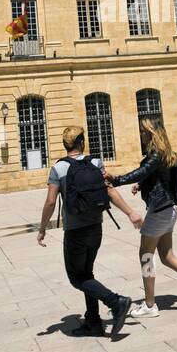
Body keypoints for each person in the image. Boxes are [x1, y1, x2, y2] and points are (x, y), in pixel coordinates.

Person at [106, 118, 177, 317]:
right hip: (168, 210)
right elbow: (157, 175)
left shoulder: (156, 153)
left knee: (145, 256)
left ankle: (149, 305)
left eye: (143, 131)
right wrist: (142, 185)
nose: (141, 134)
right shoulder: (166, 152)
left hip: (159, 212)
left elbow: (142, 171)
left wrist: (116, 180)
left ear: (151, 133)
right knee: (167, 256)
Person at [38, 126, 142, 337]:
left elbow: (50, 202)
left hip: (75, 231)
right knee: (87, 274)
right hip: (96, 227)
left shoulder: (59, 169)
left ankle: (116, 301)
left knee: (77, 278)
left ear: (65, 144)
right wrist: (131, 213)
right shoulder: (95, 163)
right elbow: (109, 191)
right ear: (82, 142)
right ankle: (93, 322)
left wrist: (42, 229)